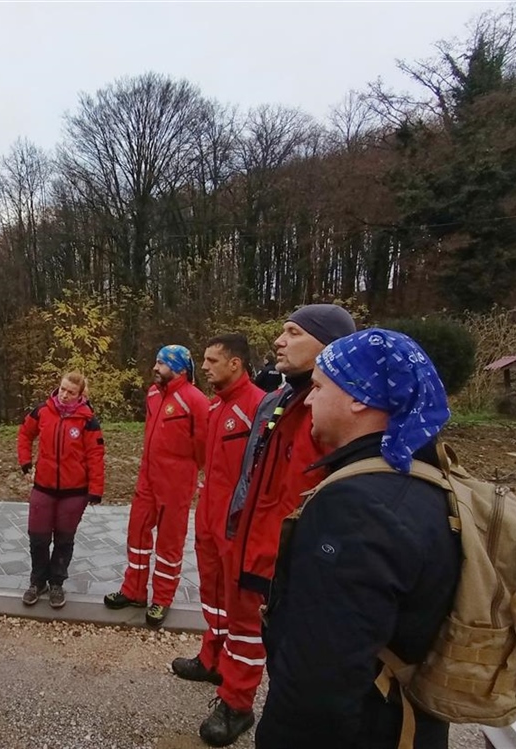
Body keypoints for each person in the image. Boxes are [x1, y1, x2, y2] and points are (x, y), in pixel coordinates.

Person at [255, 328, 459, 749]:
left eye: (318, 387)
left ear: (359, 397)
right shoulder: (425, 477)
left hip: (366, 728)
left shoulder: (357, 507)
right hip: (409, 718)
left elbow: (321, 681)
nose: (309, 399)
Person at [199, 303, 356, 747]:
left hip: (288, 553)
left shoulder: (329, 410)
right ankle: (234, 699)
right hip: (251, 538)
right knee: (242, 627)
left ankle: (257, 709)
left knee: (285, 647)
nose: (279, 341)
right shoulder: (283, 399)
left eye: (293, 333)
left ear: (328, 346)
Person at [171, 334, 265, 685]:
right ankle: (210, 658)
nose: (205, 367)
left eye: (212, 361)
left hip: (236, 524)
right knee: (211, 594)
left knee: (240, 604)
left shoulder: (257, 405)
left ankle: (236, 681)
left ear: (235, 364)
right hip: (209, 519)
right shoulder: (214, 407)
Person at [104, 345, 209, 627]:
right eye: (156, 362)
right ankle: (133, 590)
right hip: (147, 477)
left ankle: (162, 598)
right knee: (137, 533)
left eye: (162, 363)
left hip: (176, 482)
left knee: (169, 542)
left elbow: (203, 446)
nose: (156, 367)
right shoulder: (152, 393)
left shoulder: (196, 400)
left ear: (179, 369)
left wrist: (186, 470)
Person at [17, 371, 106, 609]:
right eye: (62, 389)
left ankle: (57, 582)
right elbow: (25, 434)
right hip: (43, 487)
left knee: (64, 540)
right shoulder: (43, 411)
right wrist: (25, 462)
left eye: (71, 392)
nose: (65, 395)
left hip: (74, 492)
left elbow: (96, 456)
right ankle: (38, 582)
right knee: (38, 537)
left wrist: (96, 489)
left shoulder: (88, 421)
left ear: (81, 394)